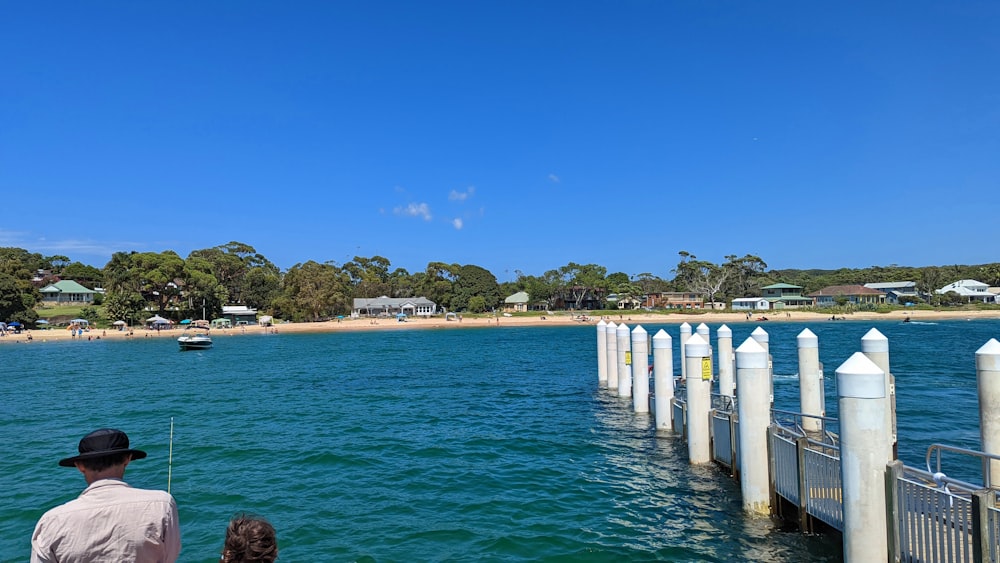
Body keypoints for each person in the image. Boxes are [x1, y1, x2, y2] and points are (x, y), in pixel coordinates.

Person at [31, 428, 181, 562]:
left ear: (80, 466)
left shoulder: (51, 521)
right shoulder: (162, 504)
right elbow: (169, 557)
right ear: (127, 459)